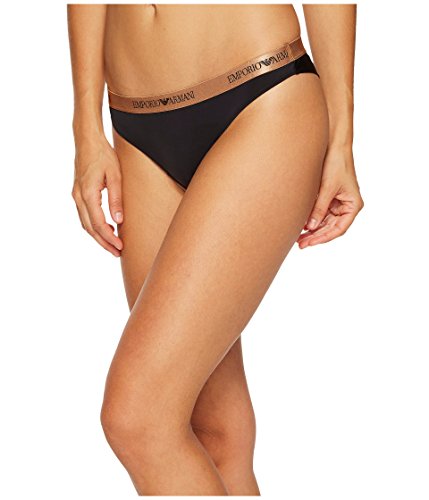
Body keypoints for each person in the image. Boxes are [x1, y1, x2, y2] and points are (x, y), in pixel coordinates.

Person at [67, 3, 363, 495]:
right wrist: (85, 129)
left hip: (259, 93)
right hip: (135, 127)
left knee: (139, 417)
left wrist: (342, 138)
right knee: (216, 434)